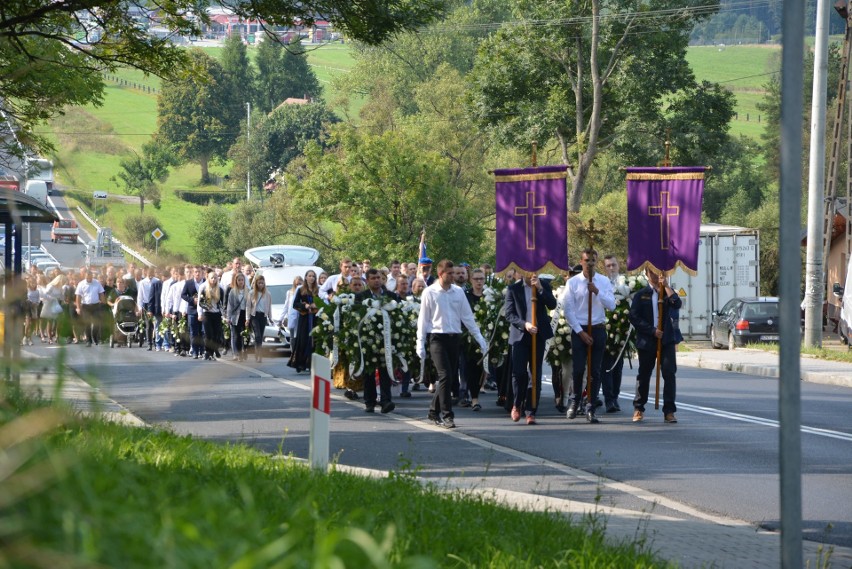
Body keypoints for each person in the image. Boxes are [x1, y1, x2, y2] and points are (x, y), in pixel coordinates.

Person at [416, 260, 487, 429]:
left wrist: (480, 338)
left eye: (454, 273)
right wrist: (420, 342)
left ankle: (433, 410)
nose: (454, 276)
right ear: (441, 274)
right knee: (445, 375)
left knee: (447, 377)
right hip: (437, 338)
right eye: (450, 273)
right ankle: (447, 415)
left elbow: (467, 317)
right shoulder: (430, 292)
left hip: (455, 338)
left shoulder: (458, 292)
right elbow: (423, 319)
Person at [562, 249, 615, 424]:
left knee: (595, 371)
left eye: (593, 260)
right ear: (581, 261)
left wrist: (597, 291)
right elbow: (568, 310)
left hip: (598, 328)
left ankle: (590, 406)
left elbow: (612, 305)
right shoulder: (573, 282)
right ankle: (575, 400)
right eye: (587, 260)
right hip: (580, 329)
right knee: (578, 369)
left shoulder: (603, 281)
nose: (590, 263)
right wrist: (580, 332)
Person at [629, 269, 682, 424]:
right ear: (647, 273)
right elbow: (634, 317)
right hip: (648, 340)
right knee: (644, 375)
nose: (655, 274)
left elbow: (677, 303)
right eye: (652, 271)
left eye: (659, 272)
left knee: (669, 374)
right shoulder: (641, 294)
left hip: (667, 340)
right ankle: (639, 407)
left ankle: (669, 411)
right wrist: (652, 331)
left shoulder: (668, 292)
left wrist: (666, 286)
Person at [504, 272, 557, 425]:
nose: (530, 275)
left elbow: (552, 304)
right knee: (519, 373)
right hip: (521, 335)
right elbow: (509, 314)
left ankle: (531, 410)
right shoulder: (513, 289)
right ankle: (516, 403)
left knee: (535, 373)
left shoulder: (543, 285)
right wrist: (524, 324)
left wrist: (540, 288)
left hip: (538, 336)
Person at [354, 268, 401, 413]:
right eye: (373, 278)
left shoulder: (391, 296)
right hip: (368, 340)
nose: (376, 280)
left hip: (387, 339)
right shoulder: (361, 297)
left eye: (378, 278)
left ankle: (386, 401)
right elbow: (356, 317)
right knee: (369, 372)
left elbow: (399, 314)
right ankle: (370, 401)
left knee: (385, 370)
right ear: (367, 281)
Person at [462, 268, 489, 412]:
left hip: (488, 336)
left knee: (484, 368)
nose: (479, 282)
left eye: (481, 279)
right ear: (471, 280)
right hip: (470, 338)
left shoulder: (489, 296)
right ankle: (474, 398)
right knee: (472, 368)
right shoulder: (466, 296)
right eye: (476, 279)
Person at [601, 255, 626, 413]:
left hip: (621, 330)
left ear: (619, 266)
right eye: (608, 266)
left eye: (614, 265)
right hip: (605, 329)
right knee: (606, 367)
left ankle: (615, 397)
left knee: (618, 367)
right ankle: (609, 399)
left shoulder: (625, 283)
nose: (611, 268)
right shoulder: (602, 283)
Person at [288, 270, 320, 373]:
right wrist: (304, 305)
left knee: (314, 341)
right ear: (306, 277)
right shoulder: (301, 290)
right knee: (303, 340)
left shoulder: (318, 290)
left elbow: (322, 302)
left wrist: (316, 304)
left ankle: (311, 364)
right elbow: (295, 304)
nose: (311, 278)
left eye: (313, 276)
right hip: (305, 318)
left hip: (315, 318)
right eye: (309, 276)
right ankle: (300, 363)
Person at [198, 270, 225, 361]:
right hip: (207, 314)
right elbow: (200, 303)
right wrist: (200, 313)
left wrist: (224, 315)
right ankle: (208, 352)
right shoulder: (204, 289)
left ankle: (214, 350)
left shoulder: (220, 289)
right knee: (209, 334)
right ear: (208, 279)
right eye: (212, 278)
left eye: (215, 278)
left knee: (217, 334)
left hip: (217, 314)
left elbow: (223, 303)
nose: (213, 280)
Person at [75, 269, 106, 347]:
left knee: (96, 323)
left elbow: (101, 293)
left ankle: (95, 337)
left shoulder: (97, 283)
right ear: (85, 276)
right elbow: (78, 297)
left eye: (90, 277)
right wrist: (78, 308)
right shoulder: (81, 284)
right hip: (85, 306)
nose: (89, 279)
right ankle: (88, 340)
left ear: (92, 276)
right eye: (88, 277)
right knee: (87, 324)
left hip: (96, 305)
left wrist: (103, 302)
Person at [181, 266, 206, 359]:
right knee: (193, 332)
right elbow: (183, 295)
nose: (197, 273)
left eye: (199, 272)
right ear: (193, 273)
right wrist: (192, 300)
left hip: (203, 310)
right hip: (192, 310)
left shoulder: (206, 282)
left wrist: (203, 300)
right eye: (195, 272)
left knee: (203, 332)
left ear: (202, 272)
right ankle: (195, 351)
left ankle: (202, 351)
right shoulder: (188, 283)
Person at [247, 274, 272, 363]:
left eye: (262, 283)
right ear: (256, 283)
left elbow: (269, 306)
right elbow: (248, 307)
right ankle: (258, 354)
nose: (261, 285)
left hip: (263, 316)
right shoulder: (251, 293)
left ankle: (259, 352)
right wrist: (247, 318)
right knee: (257, 335)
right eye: (259, 283)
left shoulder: (268, 294)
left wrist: (270, 317)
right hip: (254, 316)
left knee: (260, 336)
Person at [226, 272, 249, 361]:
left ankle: (244, 351)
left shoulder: (247, 291)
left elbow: (249, 305)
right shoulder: (232, 291)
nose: (240, 282)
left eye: (242, 280)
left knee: (246, 335)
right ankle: (238, 353)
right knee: (236, 335)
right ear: (236, 281)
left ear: (244, 281)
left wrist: (248, 318)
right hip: (236, 315)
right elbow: (230, 305)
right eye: (239, 280)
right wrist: (228, 317)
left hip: (245, 314)